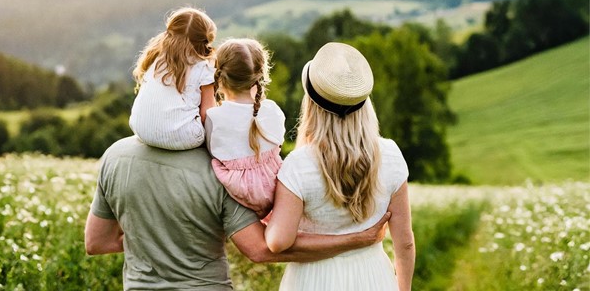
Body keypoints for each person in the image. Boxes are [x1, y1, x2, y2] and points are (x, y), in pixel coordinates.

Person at [84, 135, 393, 290]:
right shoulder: (220, 167)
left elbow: (96, 242)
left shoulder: (115, 156)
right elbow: (260, 250)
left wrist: (150, 236)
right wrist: (355, 239)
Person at [265, 42, 415, 291]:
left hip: (312, 281)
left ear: (311, 105)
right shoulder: (390, 154)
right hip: (374, 278)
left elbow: (278, 242)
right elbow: (405, 244)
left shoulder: (299, 166)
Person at [206, 38, 285, 219]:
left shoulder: (213, 117)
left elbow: (212, 152)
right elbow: (278, 144)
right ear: (260, 75)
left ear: (219, 76)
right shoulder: (272, 109)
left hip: (240, 190)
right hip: (273, 184)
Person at [129, 7, 217, 150]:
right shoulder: (203, 67)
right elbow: (207, 113)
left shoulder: (156, 56)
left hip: (140, 129)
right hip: (184, 137)